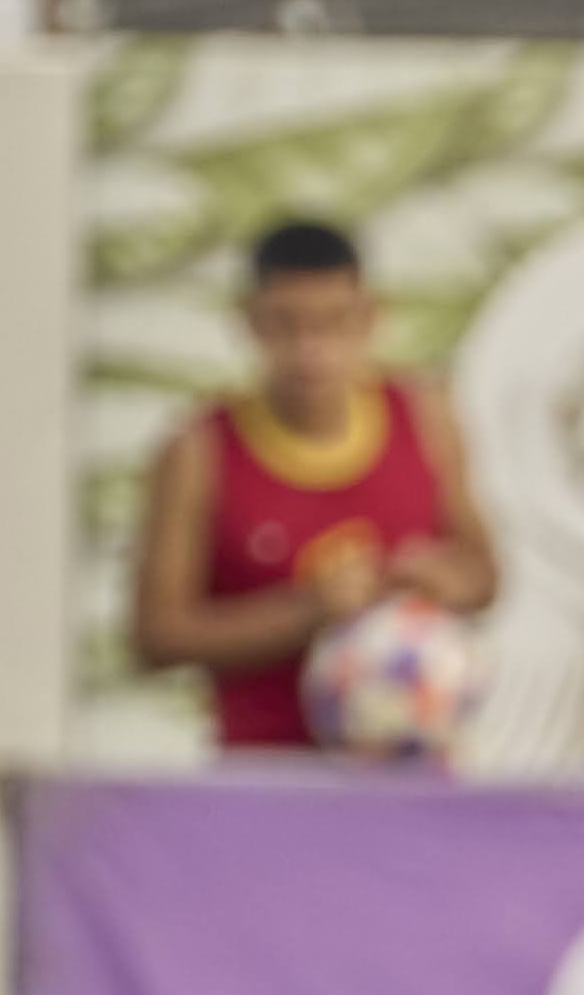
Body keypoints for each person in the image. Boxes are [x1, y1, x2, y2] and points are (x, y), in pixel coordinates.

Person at [130, 217, 499, 750]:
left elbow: (486, 576)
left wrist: (440, 582)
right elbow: (156, 636)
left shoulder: (425, 416)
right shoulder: (199, 450)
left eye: (333, 322)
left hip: (415, 780)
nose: (311, 349)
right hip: (265, 782)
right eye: (286, 324)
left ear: (369, 316)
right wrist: (307, 610)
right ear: (250, 321)